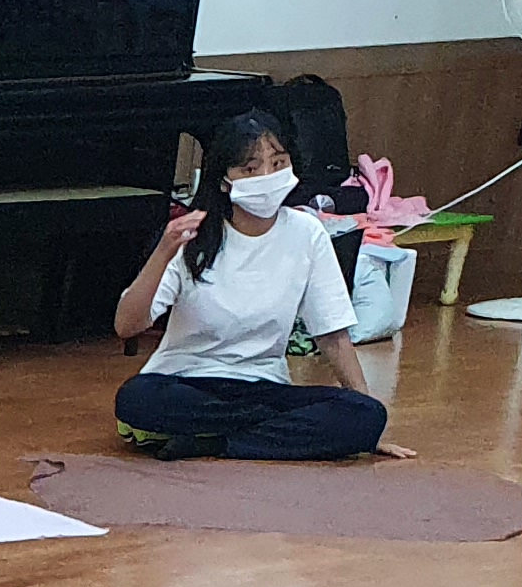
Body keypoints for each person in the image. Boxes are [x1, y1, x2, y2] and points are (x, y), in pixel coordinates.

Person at [109, 112, 409, 463]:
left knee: (365, 413)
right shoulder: (193, 234)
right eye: (250, 169)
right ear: (224, 181)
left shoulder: (307, 233)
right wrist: (164, 250)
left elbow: (333, 335)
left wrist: (367, 423)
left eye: (278, 163)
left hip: (263, 386)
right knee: (136, 399)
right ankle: (263, 436)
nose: (267, 177)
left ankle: (212, 443)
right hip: (185, 381)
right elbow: (127, 326)